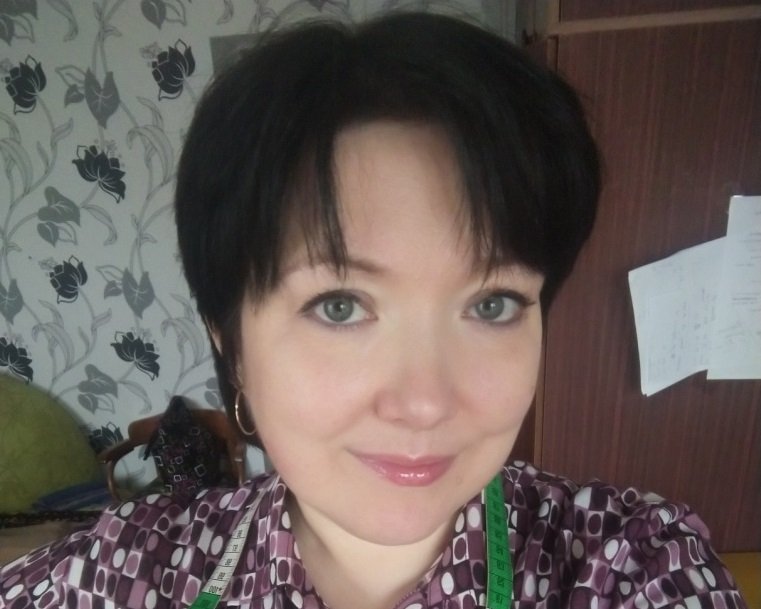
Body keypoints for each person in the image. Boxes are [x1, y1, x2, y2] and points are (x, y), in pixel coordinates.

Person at [0, 11, 747, 609]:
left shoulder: (629, 566)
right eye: (339, 306)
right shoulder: (118, 575)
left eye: (492, 302)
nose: (424, 402)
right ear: (230, 344)